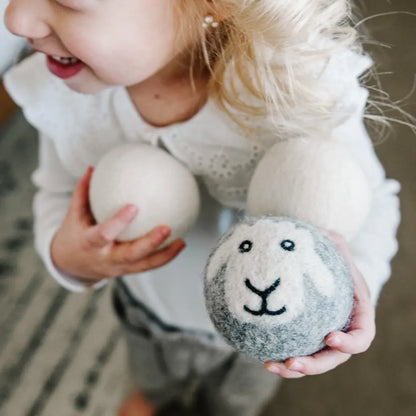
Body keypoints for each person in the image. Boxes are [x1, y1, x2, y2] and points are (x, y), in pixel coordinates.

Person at [2, 1, 401, 415]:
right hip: (149, 313)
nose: (16, 18)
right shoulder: (66, 93)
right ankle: (158, 398)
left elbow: (371, 202)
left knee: (236, 399)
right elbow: (56, 193)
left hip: (268, 330)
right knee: (155, 377)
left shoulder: (296, 82)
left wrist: (349, 295)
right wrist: (65, 257)